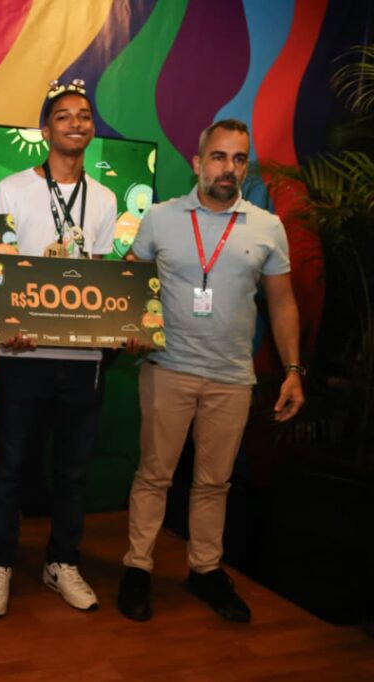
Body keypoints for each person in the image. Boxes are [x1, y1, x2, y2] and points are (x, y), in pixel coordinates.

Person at [116, 119, 304, 623]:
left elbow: (282, 302)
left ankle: (205, 569)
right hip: (167, 367)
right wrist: (129, 327)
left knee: (214, 482)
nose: (229, 168)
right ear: (198, 163)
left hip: (231, 376)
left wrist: (293, 369)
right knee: (154, 474)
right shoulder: (160, 218)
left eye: (239, 159)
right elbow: (130, 281)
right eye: (219, 157)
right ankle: (138, 567)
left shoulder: (267, 227)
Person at [0, 78, 116, 617]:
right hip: (22, 353)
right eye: (64, 116)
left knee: (74, 468)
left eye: (84, 116)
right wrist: (5, 320)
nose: (76, 123)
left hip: (83, 359)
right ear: (44, 130)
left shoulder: (104, 199)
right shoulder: (12, 189)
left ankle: (62, 561)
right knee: (9, 464)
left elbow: (100, 276)